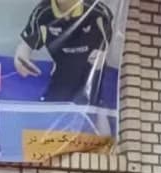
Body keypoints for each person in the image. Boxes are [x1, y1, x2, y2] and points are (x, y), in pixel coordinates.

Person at [14, 0, 114, 135]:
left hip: (91, 77)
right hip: (62, 77)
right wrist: (21, 56)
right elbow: (25, 45)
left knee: (97, 113)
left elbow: (108, 41)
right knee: (46, 120)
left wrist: (103, 53)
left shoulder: (98, 11)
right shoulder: (43, 13)